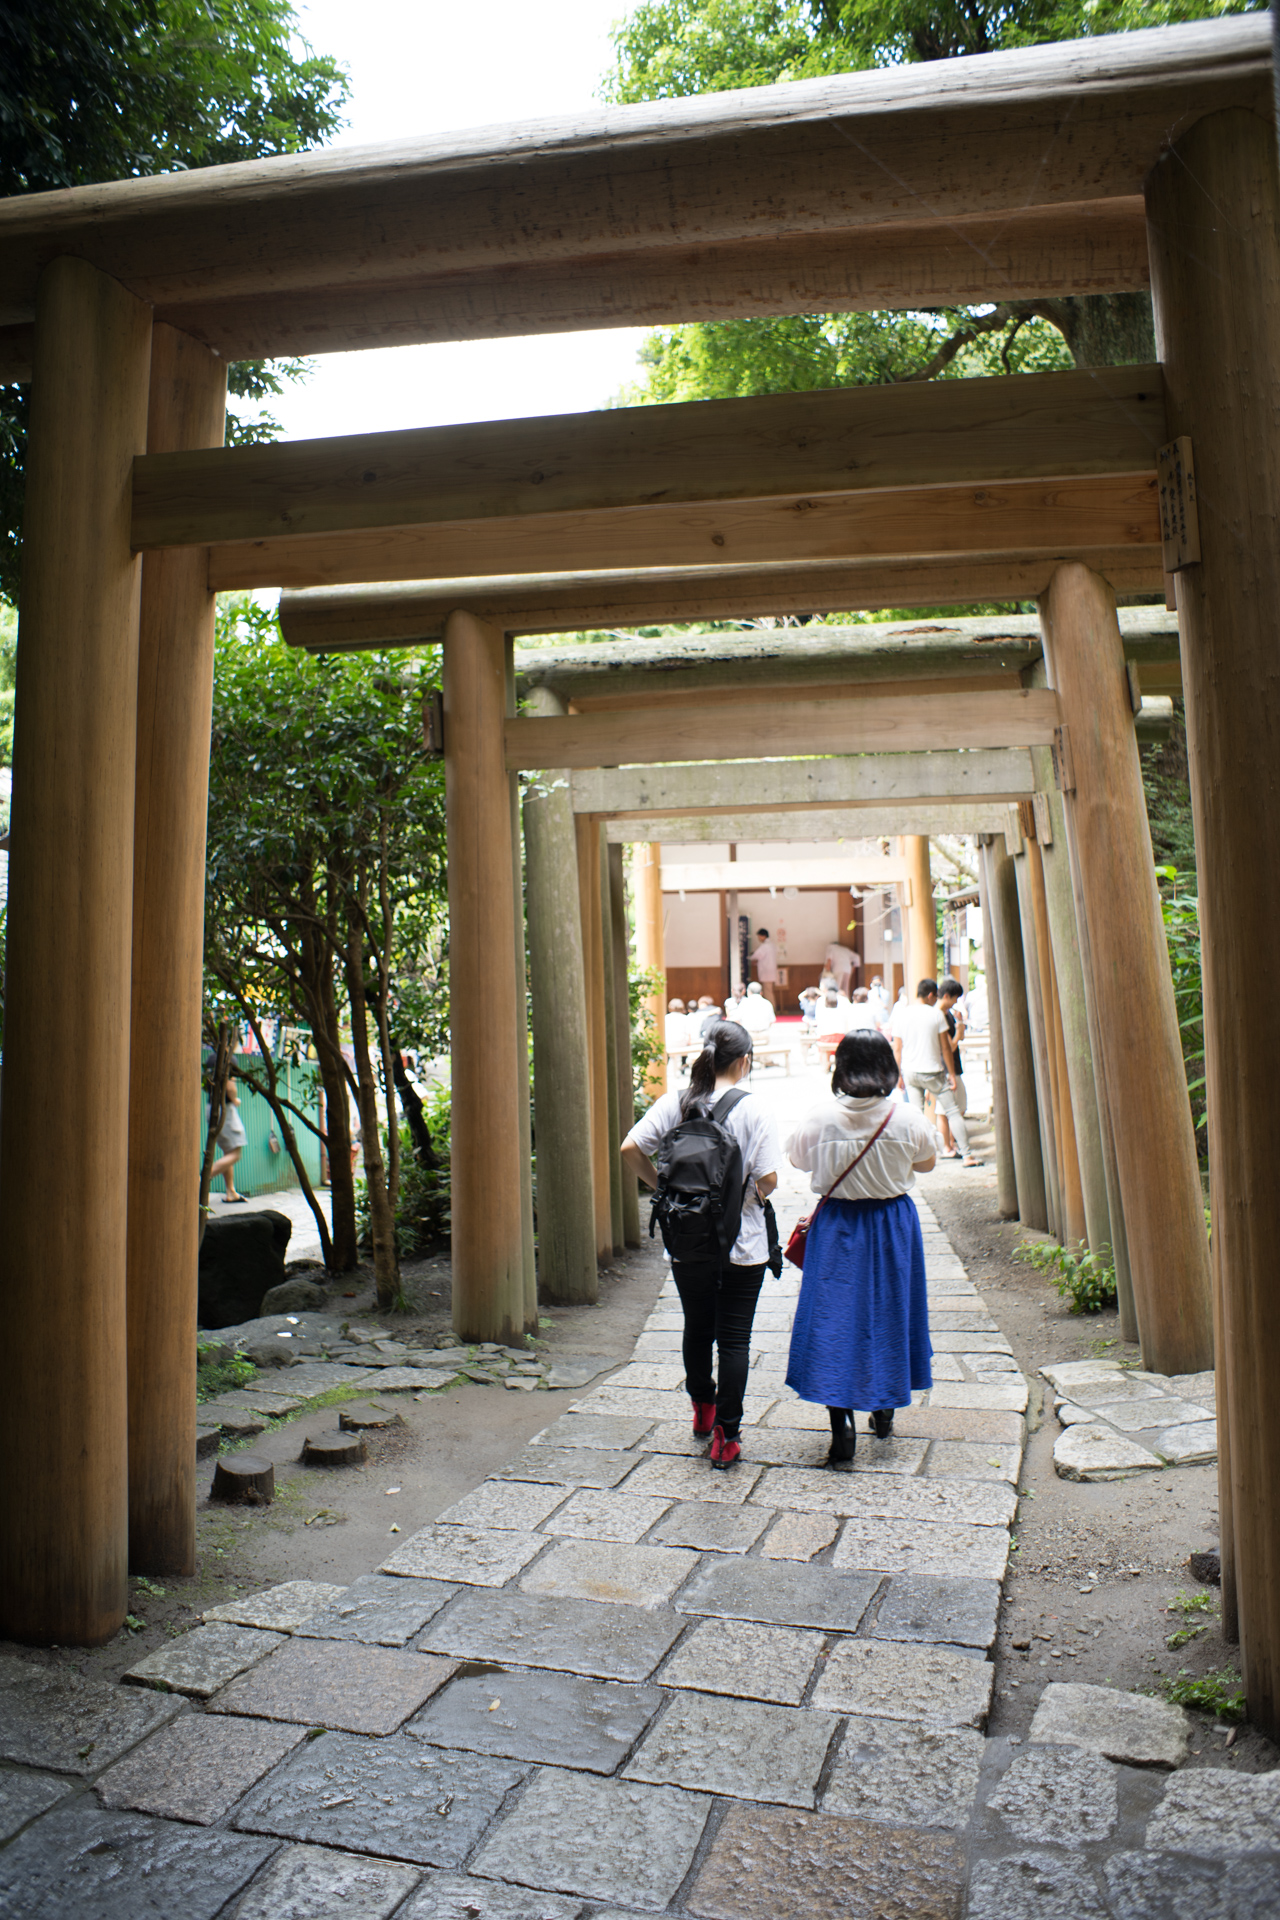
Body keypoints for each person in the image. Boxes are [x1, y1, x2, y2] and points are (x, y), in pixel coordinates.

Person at [622, 1021, 781, 1469]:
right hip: (742, 1244)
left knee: (697, 1326)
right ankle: (727, 1436)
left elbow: (629, 1148)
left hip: (688, 1241)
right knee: (734, 1339)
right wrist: (744, 1194)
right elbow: (768, 1178)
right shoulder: (756, 1111)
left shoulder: (677, 1101)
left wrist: (664, 1188)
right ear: (745, 1060)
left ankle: (702, 1408)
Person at [785, 1029, 936, 1464]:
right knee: (892, 1312)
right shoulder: (906, 1118)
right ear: (887, 1067)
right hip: (892, 1223)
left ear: (842, 1068)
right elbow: (925, 1163)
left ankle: (841, 1425)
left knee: (834, 1321)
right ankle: (885, 1410)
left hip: (838, 1226)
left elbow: (797, 1160)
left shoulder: (819, 1118)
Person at [893, 978, 978, 1168]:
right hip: (933, 1072)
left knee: (916, 1115)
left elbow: (897, 1049)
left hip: (910, 1072)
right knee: (953, 1112)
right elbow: (946, 1049)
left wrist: (897, 1074)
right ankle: (967, 1155)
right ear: (931, 995)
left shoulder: (902, 1015)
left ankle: (914, 1156)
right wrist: (951, 1073)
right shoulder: (936, 1015)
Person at [936, 976, 979, 1165]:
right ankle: (950, 1147)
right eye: (954, 998)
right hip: (948, 1070)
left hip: (951, 1069)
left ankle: (950, 1145)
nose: (956, 1003)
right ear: (946, 996)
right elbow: (948, 1047)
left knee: (950, 1109)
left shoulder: (946, 1015)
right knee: (951, 1110)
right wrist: (960, 1031)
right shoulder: (940, 1016)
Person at [210, 1073, 248, 1202]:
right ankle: (199, 1180)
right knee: (236, 1153)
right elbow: (230, 1087)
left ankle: (231, 1191)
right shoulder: (227, 1059)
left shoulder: (210, 1060)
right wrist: (235, 1099)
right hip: (225, 1109)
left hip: (211, 1107)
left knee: (228, 1152)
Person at [751, 928, 780, 1010]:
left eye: (759, 936)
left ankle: (771, 1009)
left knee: (768, 992)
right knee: (769, 991)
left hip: (767, 972)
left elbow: (757, 955)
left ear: (763, 936)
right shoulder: (772, 945)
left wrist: (750, 957)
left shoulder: (765, 946)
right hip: (770, 971)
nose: (759, 939)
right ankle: (772, 1008)